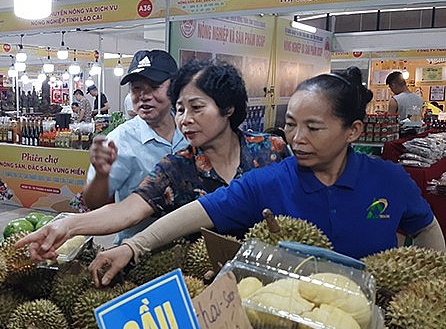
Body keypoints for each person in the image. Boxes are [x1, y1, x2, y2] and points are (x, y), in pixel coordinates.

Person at [79, 67, 445, 285]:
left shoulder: (390, 180)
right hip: (286, 312)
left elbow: (424, 226)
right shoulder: (271, 179)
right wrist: (133, 246)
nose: (298, 139)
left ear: (353, 131)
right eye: (290, 125)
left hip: (367, 315)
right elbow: (197, 213)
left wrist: (434, 284)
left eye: (313, 128)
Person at [16, 60, 289, 254]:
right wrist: (68, 226)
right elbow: (128, 209)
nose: (185, 120)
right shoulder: (177, 166)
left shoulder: (271, 151)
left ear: (228, 108)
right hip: (199, 280)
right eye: (181, 110)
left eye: (196, 108)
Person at [83, 49, 188, 242]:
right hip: (136, 253)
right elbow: (93, 203)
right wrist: (101, 175)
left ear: (175, 89)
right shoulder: (119, 140)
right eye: (136, 88)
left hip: (191, 249)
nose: (144, 96)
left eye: (154, 87)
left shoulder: (192, 130)